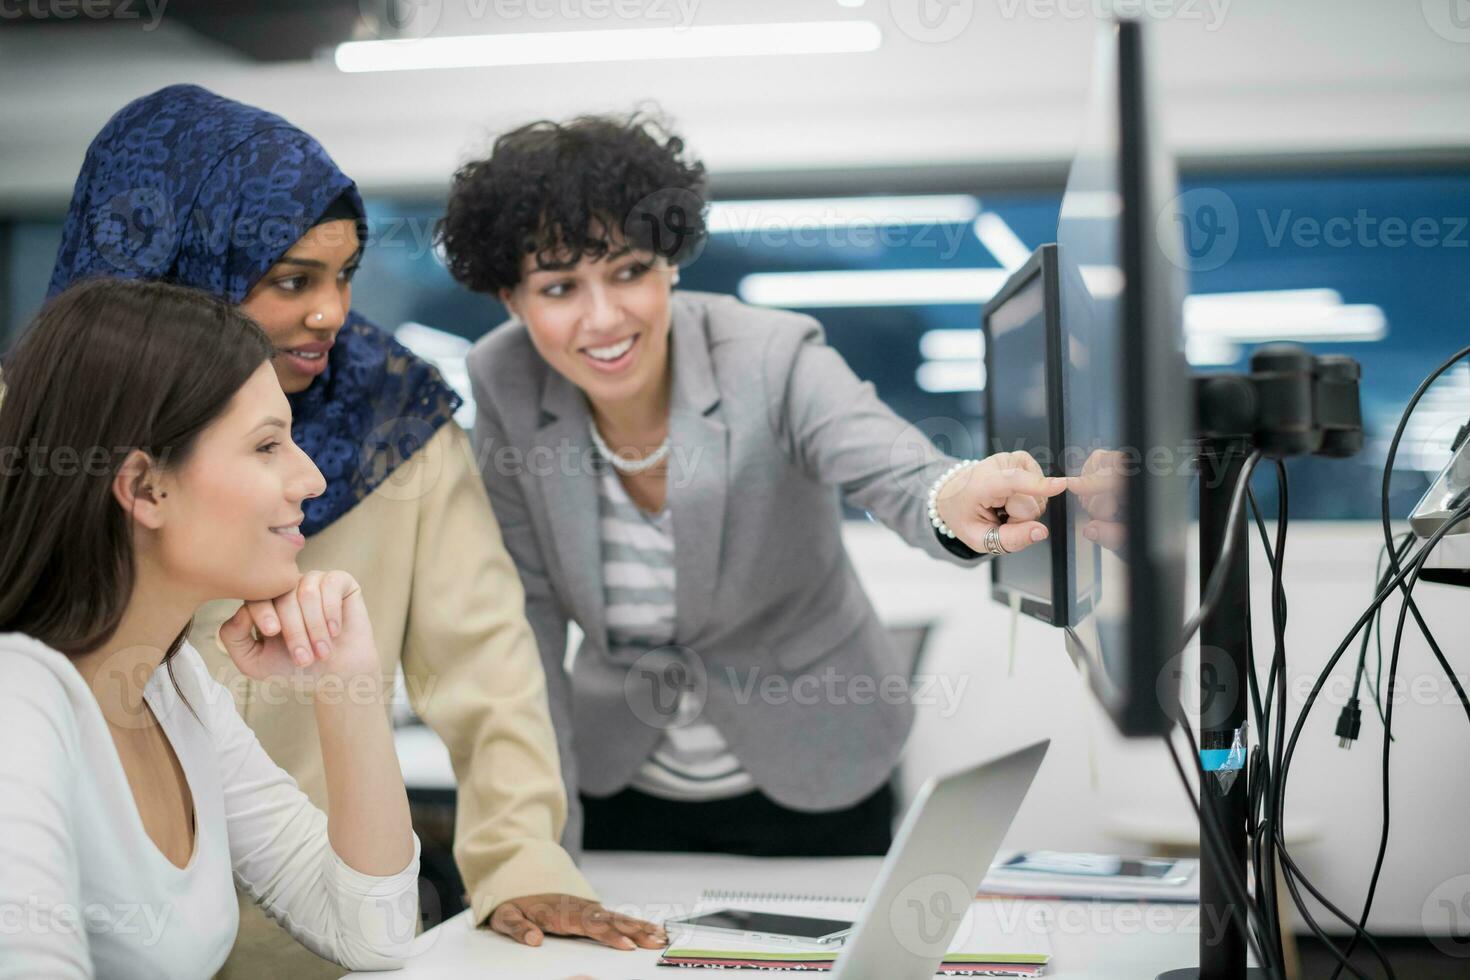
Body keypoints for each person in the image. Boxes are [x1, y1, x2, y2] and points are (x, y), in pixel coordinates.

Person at [46, 86, 662, 979]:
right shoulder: (39, 433)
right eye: (293, 279)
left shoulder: (394, 420)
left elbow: (487, 666)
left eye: (345, 275)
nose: (332, 312)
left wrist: (520, 861)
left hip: (317, 924)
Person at [439, 113, 1064, 857]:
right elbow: (525, 622)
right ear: (512, 299)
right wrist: (537, 849)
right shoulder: (504, 381)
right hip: (620, 775)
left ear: (670, 263)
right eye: (559, 287)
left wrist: (948, 497)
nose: (602, 318)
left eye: (630, 271)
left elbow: (888, 460)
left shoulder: (767, 354)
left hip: (815, 766)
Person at [0, 278, 420, 978]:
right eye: (266, 447)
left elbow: (373, 935)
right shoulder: (19, 702)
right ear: (144, 489)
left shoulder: (171, 688)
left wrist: (344, 677)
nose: (310, 479)